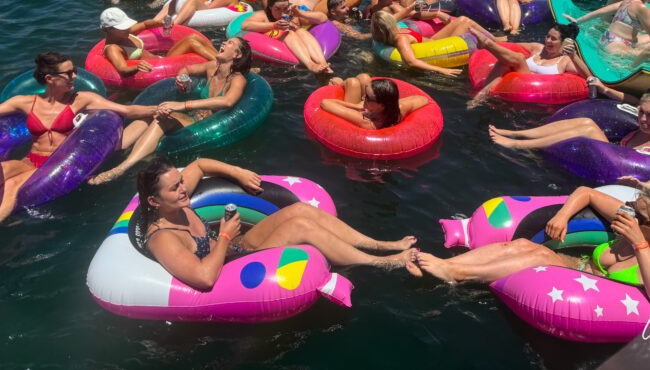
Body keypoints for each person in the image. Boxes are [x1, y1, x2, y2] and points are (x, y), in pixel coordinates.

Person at [137, 155, 418, 290]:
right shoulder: (163, 237)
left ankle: (379, 244)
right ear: (153, 201)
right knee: (300, 227)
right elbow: (204, 277)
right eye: (174, 188)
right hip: (228, 267)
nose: (183, 189)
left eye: (180, 183)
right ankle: (381, 262)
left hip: (234, 247)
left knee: (300, 210)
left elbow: (198, 165)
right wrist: (223, 237)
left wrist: (238, 172)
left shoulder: (177, 203)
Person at [0, 52, 159, 221]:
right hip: (30, 160)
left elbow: (127, 111)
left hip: (56, 165)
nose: (74, 76)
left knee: (11, 186)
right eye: (68, 73)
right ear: (49, 78)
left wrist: (159, 108)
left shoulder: (81, 99)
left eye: (74, 70)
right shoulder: (24, 102)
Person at [408, 183, 650, 291]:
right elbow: (587, 193)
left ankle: (458, 275)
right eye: (631, 206)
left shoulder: (638, 235)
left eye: (637, 212)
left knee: (539, 258)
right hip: (582, 266)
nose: (628, 212)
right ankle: (448, 266)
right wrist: (563, 215)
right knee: (525, 245)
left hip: (600, 291)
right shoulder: (631, 218)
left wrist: (639, 243)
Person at [88, 38, 252, 184]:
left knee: (162, 118)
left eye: (230, 43)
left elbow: (228, 101)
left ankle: (121, 168)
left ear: (237, 55)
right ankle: (111, 149)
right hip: (192, 116)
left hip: (205, 123)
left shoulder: (238, 79)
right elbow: (186, 69)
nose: (223, 43)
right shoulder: (212, 67)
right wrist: (182, 78)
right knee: (154, 112)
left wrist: (183, 105)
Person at [468, 23, 590, 107]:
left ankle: (488, 44)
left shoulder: (565, 60)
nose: (548, 40)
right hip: (512, 86)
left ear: (564, 42)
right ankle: (479, 98)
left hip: (534, 94)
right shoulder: (537, 48)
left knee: (520, 59)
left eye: (553, 39)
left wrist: (573, 55)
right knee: (504, 62)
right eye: (547, 36)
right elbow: (509, 48)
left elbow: (588, 77)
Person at [489, 92, 650, 153]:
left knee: (589, 130)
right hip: (612, 154)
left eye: (649, 115)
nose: (643, 119)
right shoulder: (638, 130)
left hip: (617, 167)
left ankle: (518, 145)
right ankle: (517, 133)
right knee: (586, 122)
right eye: (641, 112)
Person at [99, 8, 216, 78]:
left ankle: (222, 57)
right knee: (192, 42)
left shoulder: (124, 32)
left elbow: (145, 24)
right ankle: (223, 63)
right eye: (122, 27)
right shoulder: (112, 48)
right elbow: (122, 69)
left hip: (162, 59)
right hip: (159, 67)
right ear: (109, 29)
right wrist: (136, 67)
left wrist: (161, 23)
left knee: (194, 37)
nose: (126, 29)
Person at [565, 0, 650, 66]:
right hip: (616, 48)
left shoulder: (629, 0)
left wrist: (577, 21)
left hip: (606, 40)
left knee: (647, 39)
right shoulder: (641, 8)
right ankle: (628, 67)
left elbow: (602, 11)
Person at [242, 0, 333, 74]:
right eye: (277, 9)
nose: (282, 13)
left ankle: (323, 63)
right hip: (273, 50)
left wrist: (300, 13)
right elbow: (245, 25)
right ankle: (310, 64)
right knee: (289, 33)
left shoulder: (292, 14)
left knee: (301, 31)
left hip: (297, 48)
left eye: (285, 8)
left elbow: (323, 18)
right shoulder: (263, 16)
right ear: (270, 7)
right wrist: (273, 25)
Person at [370, 11, 462, 77]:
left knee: (463, 20)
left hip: (433, 40)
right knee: (464, 21)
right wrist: (442, 70)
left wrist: (436, 13)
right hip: (440, 45)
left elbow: (387, 21)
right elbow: (412, 62)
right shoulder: (401, 40)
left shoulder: (385, 34)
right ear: (390, 24)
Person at [321, 74, 428, 129]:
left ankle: (338, 84)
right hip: (376, 109)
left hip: (359, 111)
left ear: (381, 105)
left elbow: (325, 103)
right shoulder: (398, 110)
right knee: (364, 77)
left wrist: (357, 107)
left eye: (367, 97)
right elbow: (423, 99)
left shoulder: (366, 122)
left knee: (352, 82)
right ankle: (341, 83)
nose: (364, 98)